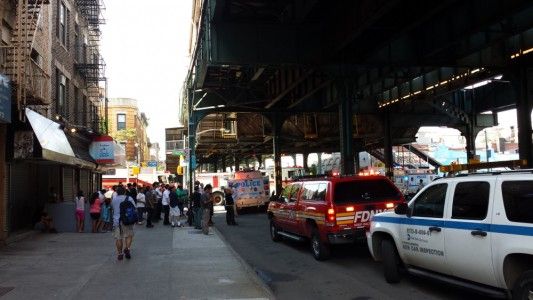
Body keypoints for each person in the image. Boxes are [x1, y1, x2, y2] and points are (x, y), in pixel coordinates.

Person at [111, 186, 136, 260]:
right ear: (125, 192)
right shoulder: (129, 198)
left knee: (118, 238)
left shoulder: (114, 199)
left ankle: (120, 254)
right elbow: (134, 208)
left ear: (117, 192)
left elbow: (112, 208)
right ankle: (127, 248)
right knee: (129, 236)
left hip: (116, 221)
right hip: (127, 220)